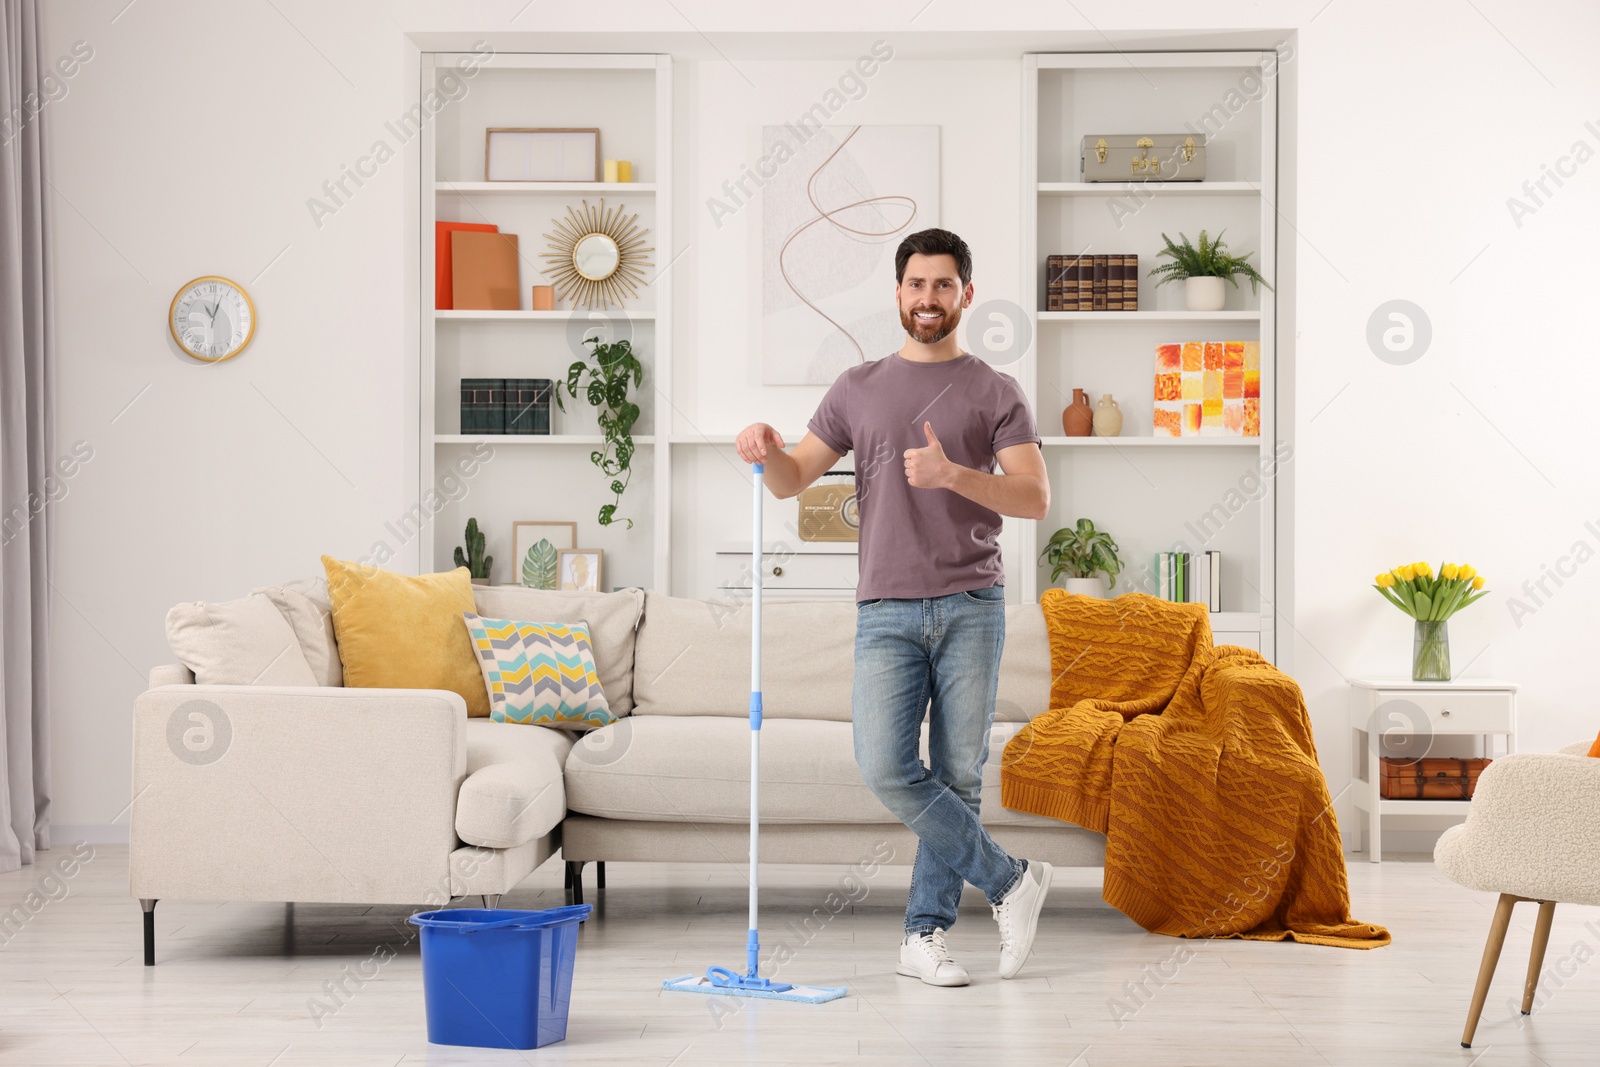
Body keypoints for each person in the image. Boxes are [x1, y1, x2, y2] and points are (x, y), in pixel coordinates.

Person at [735, 228, 1052, 986]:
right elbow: (790, 479)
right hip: (885, 608)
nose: (928, 299)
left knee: (957, 773)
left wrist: (952, 474)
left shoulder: (995, 390)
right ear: (899, 293)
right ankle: (1011, 878)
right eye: (916, 284)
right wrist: (762, 445)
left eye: (944, 286)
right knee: (884, 763)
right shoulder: (858, 387)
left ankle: (924, 935)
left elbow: (1036, 496)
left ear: (966, 295)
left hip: (973, 602)